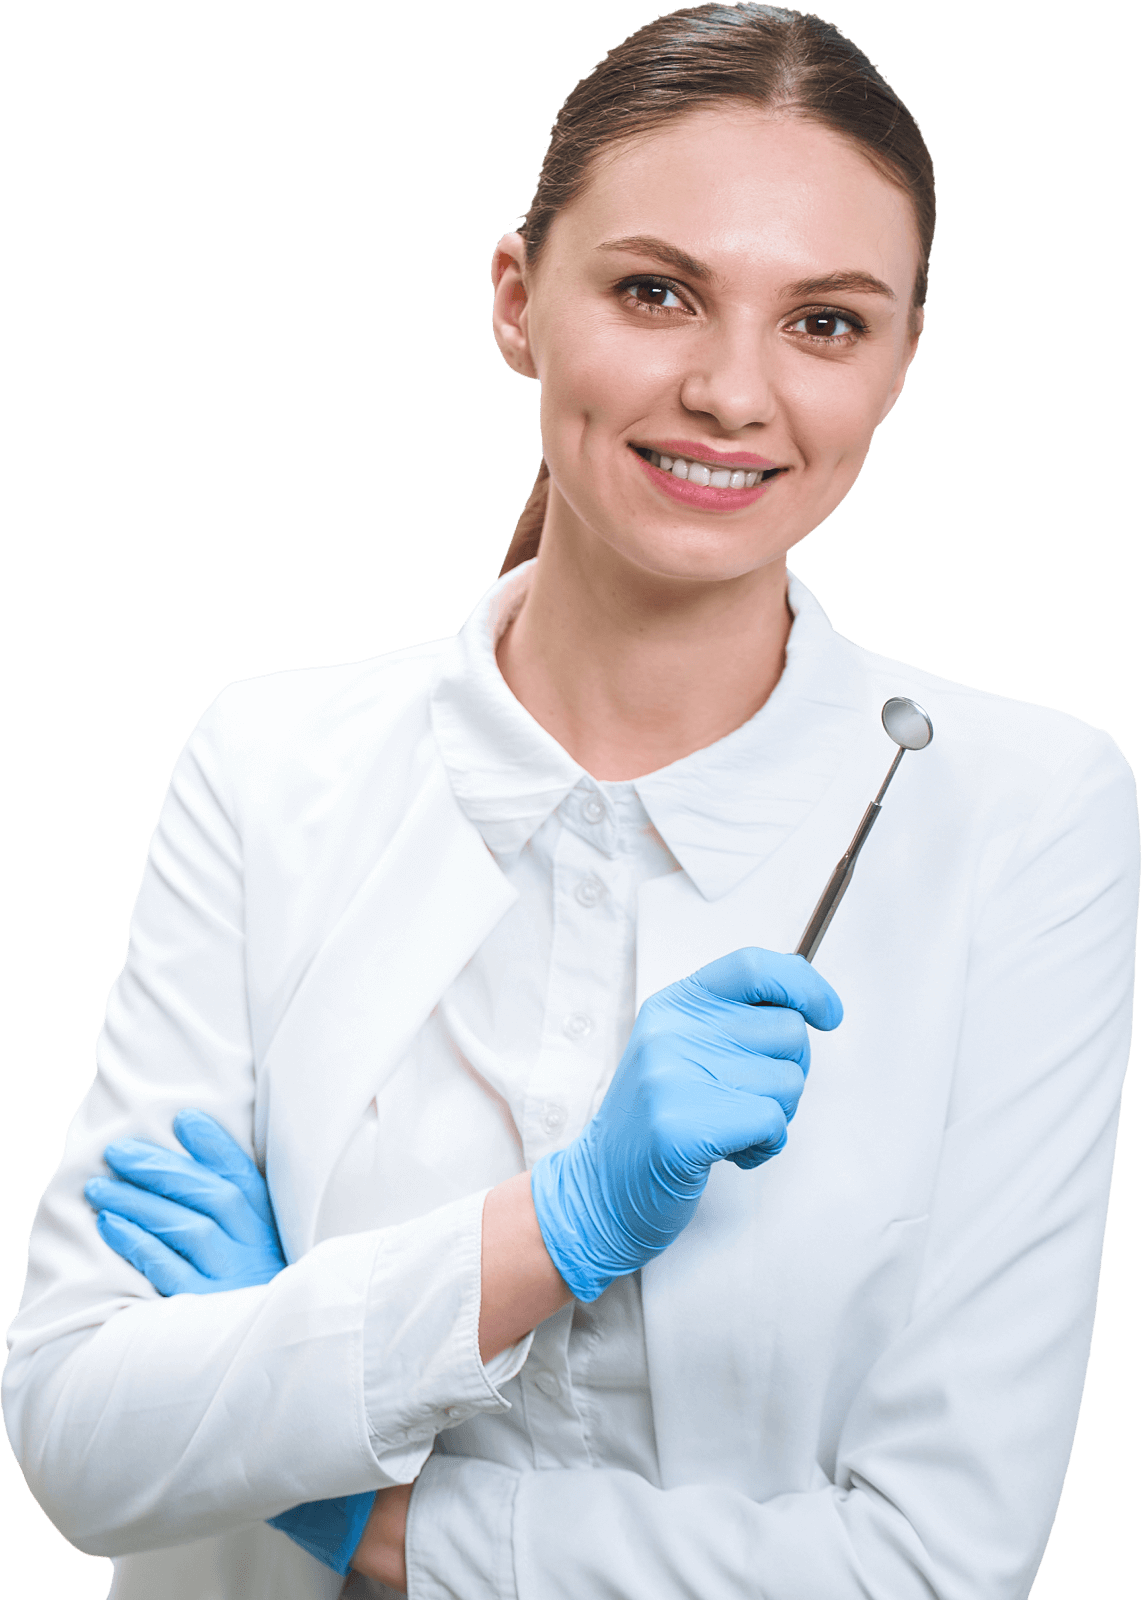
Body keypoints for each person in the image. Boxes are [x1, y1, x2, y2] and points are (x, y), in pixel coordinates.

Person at [4, 5, 1137, 1597]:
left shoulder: (1024, 810)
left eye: (824, 323)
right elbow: (80, 1439)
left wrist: (348, 1501)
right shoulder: (275, 761)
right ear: (518, 302)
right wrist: (559, 1225)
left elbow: (935, 1563)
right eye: (656, 292)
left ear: (898, 363)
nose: (734, 392)